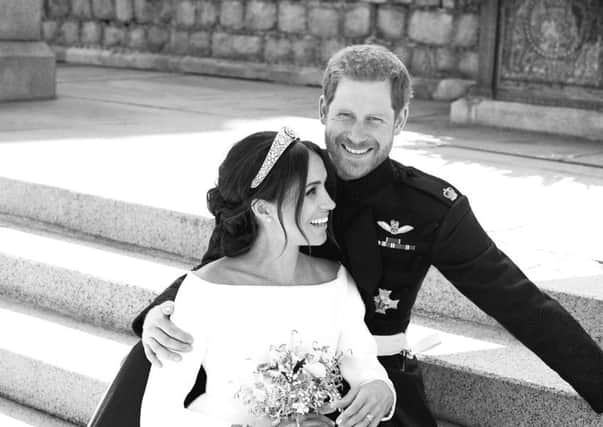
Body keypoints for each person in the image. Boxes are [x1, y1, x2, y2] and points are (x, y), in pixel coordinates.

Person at [97, 45, 603, 427]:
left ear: (400, 120)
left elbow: (521, 304)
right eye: (344, 115)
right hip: (268, 374)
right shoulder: (283, 180)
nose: (356, 134)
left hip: (370, 377)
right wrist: (159, 313)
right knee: (153, 354)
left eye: (374, 119)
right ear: (322, 110)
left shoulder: (430, 208)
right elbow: (224, 262)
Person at [138, 128, 396, 426]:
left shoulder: (336, 281)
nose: (329, 202)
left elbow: (365, 367)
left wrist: (380, 388)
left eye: (324, 186)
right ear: (263, 209)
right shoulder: (206, 290)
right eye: (311, 191)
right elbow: (157, 415)